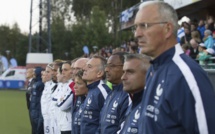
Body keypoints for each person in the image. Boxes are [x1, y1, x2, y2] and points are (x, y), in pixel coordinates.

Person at [134, 1, 215, 134]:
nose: (137, 34)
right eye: (136, 27)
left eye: (144, 26)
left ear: (167, 29)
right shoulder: (153, 70)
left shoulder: (186, 75)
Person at [99, 52, 130, 134]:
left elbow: (124, 128)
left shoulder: (128, 95)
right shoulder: (111, 93)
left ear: (125, 67)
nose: (106, 69)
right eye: (107, 66)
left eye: (112, 66)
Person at [120, 54, 150, 134]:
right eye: (123, 72)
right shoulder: (132, 103)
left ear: (148, 74)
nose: (123, 77)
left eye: (130, 72)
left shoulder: (154, 106)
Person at [81, 55, 111, 134]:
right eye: (86, 66)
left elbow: (106, 122)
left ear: (99, 73)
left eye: (89, 67)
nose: (84, 69)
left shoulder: (103, 91)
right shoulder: (91, 90)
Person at [41, 63, 57, 134]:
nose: (45, 74)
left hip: (52, 119)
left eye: (48, 72)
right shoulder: (47, 85)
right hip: (46, 118)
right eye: (45, 71)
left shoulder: (55, 86)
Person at [29, 67, 44, 134]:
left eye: (35, 73)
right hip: (34, 112)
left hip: (37, 113)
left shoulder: (40, 84)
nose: (33, 74)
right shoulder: (35, 83)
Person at [25, 67, 36, 133]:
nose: (26, 73)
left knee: (34, 125)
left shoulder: (33, 82)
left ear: (32, 74)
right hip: (31, 106)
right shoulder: (30, 82)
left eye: (28, 72)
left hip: (33, 107)